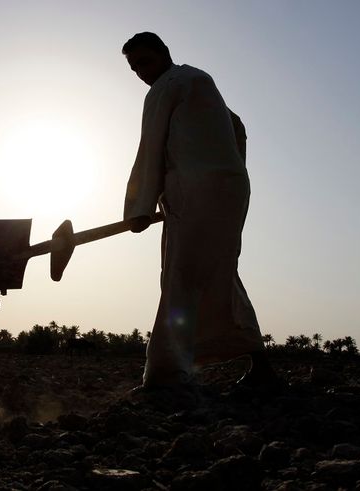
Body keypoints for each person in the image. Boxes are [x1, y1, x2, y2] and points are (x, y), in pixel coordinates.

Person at [122, 32, 277, 391]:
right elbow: (237, 127)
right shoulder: (199, 80)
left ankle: (165, 376)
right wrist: (227, 173)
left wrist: (139, 207)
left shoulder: (167, 85)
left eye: (144, 62)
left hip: (195, 193)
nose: (140, 72)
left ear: (164, 54)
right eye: (133, 68)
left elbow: (151, 146)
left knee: (181, 276)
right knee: (219, 273)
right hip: (229, 189)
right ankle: (261, 365)